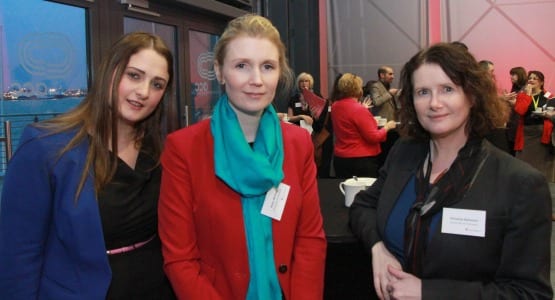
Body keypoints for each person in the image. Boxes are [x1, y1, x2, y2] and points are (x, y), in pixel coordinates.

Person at [349, 43, 552, 299]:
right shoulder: (405, 153)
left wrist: (427, 292)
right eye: (423, 92)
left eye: (447, 89)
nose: (434, 103)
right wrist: (378, 248)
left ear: (473, 95)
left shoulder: (519, 183)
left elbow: (529, 294)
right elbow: (362, 207)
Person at [158, 14, 326, 299]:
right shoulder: (184, 149)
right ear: (220, 72)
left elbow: (310, 240)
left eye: (268, 67)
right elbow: (180, 260)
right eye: (241, 66)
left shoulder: (298, 144)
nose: (256, 80)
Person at [0, 32, 176, 299]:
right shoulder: (46, 147)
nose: (143, 92)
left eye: (157, 84)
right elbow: (18, 257)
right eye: (134, 75)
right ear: (109, 72)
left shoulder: (159, 152)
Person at [332, 72, 396, 178]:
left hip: (341, 159)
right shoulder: (359, 109)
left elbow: (349, 126)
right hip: (362, 160)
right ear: (357, 89)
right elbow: (374, 137)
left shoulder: (335, 106)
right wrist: (387, 127)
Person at [370, 66, 401, 168]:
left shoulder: (387, 87)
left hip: (392, 127)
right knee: (384, 157)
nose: (393, 76)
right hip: (382, 128)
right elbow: (376, 102)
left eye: (393, 74)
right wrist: (389, 94)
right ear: (382, 75)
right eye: (390, 74)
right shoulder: (375, 86)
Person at [504, 66, 528, 156]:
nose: (511, 77)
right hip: (512, 121)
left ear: (520, 75)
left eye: (513, 74)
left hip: (519, 122)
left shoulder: (527, 89)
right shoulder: (515, 87)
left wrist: (514, 102)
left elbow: (524, 106)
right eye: (511, 75)